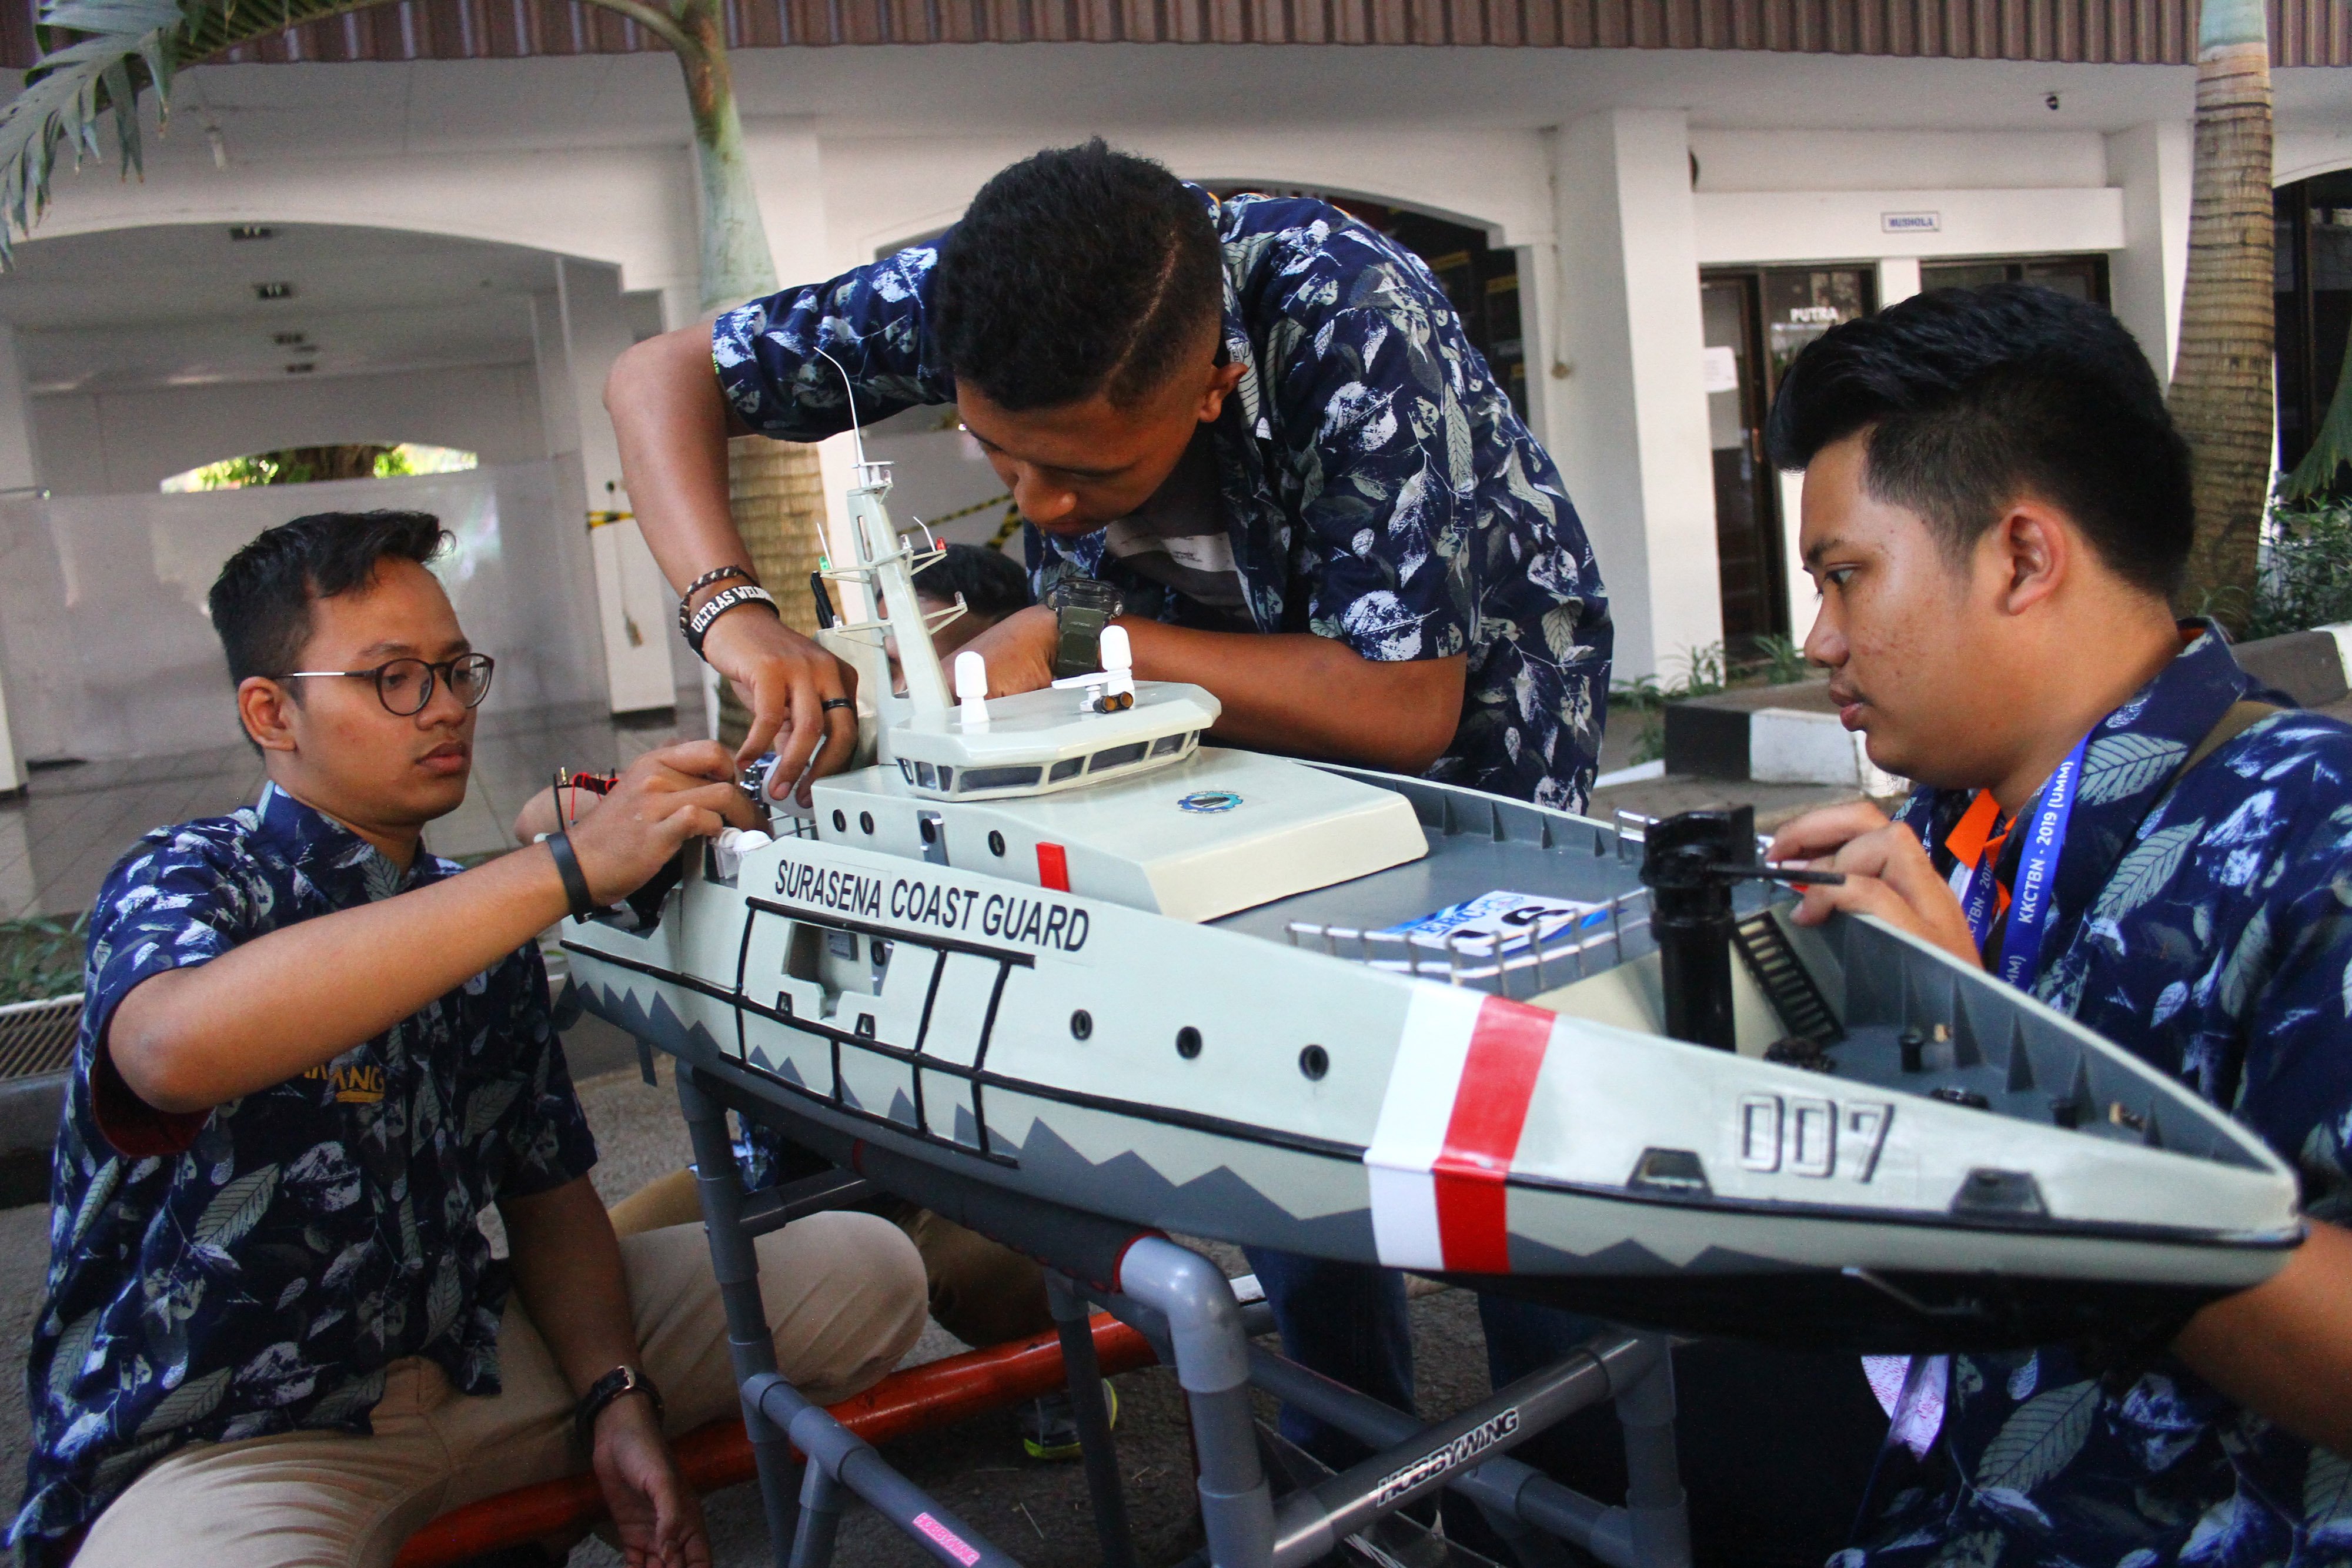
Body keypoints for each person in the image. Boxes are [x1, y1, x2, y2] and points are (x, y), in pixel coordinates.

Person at [604, 138, 1613, 1477]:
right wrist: (734, 619)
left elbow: (1398, 704)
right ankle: (1345, 1468)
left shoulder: (1340, 313)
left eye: (1087, 474)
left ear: (1215, 384)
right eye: (1001, 455)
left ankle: (1564, 1486)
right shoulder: (982, 291)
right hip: (1179, 729)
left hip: (1467, 744)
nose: (1038, 501)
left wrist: (1067, 635)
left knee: (1485, 1132)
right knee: (1275, 1094)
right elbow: (656, 373)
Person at [10, 511, 928, 1568]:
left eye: (456, 671)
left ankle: (556, 1456)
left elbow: (545, 1192)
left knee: (862, 1271)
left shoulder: (471, 911)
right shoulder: (189, 876)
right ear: (271, 712)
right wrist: (568, 868)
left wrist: (616, 1394)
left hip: (473, 1362)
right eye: (395, 678)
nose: (445, 709)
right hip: (238, 1435)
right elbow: (169, 1051)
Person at [1758, 285, 2352, 1564]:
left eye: (1844, 575)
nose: (1819, 639)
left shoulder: (2317, 838)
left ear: (2022, 557)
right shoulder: (1946, 822)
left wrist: (1981, 1076)